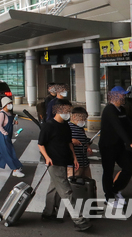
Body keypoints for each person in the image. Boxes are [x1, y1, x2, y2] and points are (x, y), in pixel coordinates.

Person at [38, 98, 91, 231]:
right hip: (54, 162)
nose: (68, 113)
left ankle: (48, 213)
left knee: (54, 188)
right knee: (65, 191)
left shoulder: (66, 126)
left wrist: (74, 158)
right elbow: (40, 144)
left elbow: (69, 143)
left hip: (64, 161)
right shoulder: (48, 126)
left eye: (69, 110)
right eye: (65, 110)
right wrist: (47, 157)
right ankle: (79, 220)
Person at [99, 86, 132, 209]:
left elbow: (127, 127)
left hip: (119, 146)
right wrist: (130, 143)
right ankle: (109, 197)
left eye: (124, 95)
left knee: (128, 168)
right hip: (107, 145)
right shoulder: (109, 110)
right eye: (122, 95)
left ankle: (115, 190)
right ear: (115, 96)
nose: (124, 97)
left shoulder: (122, 110)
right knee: (108, 171)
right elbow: (118, 128)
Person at [0, 97, 24, 177]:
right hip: (3, 136)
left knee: (1, 152)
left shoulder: (9, 113)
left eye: (11, 103)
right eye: (9, 104)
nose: (10, 105)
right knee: (8, 152)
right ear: (4, 105)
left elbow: (9, 122)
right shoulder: (2, 114)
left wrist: (14, 122)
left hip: (8, 136)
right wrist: (4, 133)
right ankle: (15, 169)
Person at [68, 107, 92, 178]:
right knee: (74, 183)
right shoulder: (68, 127)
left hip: (84, 162)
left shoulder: (80, 129)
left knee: (87, 183)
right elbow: (64, 140)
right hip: (74, 164)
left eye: (85, 119)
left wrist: (88, 146)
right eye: (82, 118)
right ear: (74, 116)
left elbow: (84, 139)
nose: (84, 120)